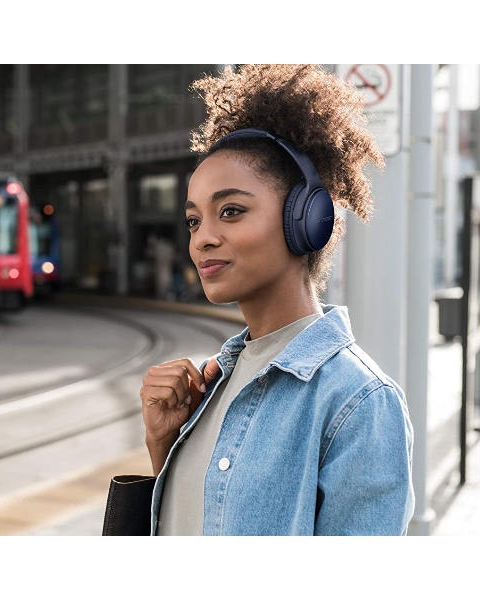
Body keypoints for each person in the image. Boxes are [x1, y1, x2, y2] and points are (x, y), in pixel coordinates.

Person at [139, 64, 415, 536]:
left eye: (231, 211)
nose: (203, 239)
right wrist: (163, 445)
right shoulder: (213, 384)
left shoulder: (360, 402)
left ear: (307, 219)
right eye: (193, 221)